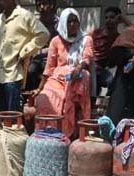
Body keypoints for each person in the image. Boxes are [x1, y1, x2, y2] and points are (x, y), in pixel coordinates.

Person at [33, 8, 93, 136]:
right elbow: (49, 67)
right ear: (63, 23)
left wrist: (78, 68)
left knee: (79, 83)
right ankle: (48, 134)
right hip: (57, 78)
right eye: (69, 21)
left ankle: (66, 133)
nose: (72, 24)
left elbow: (87, 58)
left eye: (75, 21)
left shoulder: (86, 39)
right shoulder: (56, 41)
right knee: (44, 99)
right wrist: (40, 88)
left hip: (76, 78)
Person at [0, 0, 49, 113]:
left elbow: (44, 34)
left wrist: (24, 52)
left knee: (12, 116)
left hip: (13, 74)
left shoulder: (25, 15)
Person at [24, 0, 58, 93]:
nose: (42, 7)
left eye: (44, 4)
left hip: (53, 58)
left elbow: (59, 45)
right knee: (30, 70)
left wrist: (40, 52)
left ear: (51, 5)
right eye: (39, 5)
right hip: (37, 59)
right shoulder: (35, 23)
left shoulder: (58, 24)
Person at [91, 6, 125, 96]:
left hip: (106, 70)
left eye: (112, 17)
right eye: (106, 18)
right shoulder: (96, 33)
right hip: (93, 68)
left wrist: (125, 20)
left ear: (118, 19)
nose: (108, 20)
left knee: (114, 83)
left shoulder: (120, 38)